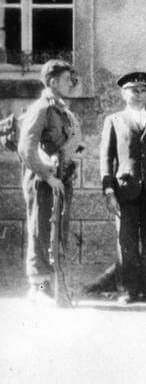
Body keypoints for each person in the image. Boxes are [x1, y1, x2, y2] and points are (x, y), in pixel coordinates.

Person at [100, 72, 146, 304]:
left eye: (143, 90)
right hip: (125, 190)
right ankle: (128, 290)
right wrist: (109, 191)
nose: (139, 95)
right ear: (124, 93)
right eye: (134, 90)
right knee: (127, 241)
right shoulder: (114, 120)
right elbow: (106, 158)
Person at [18, 60, 82, 303]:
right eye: (67, 79)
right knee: (40, 231)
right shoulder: (42, 108)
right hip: (43, 181)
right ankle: (39, 288)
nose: (72, 83)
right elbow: (27, 148)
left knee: (57, 232)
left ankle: (53, 286)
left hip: (61, 181)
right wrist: (47, 175)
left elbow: (66, 142)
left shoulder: (62, 111)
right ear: (53, 82)